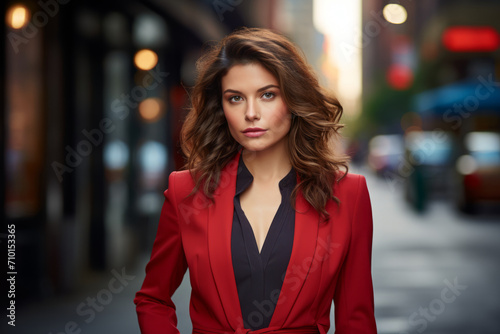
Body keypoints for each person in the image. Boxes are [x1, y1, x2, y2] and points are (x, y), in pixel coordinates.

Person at [134, 27, 377, 334]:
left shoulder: (347, 194)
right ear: (221, 108)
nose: (251, 113)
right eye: (235, 98)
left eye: (267, 95)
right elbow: (152, 298)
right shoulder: (187, 191)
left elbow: (356, 319)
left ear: (293, 99)